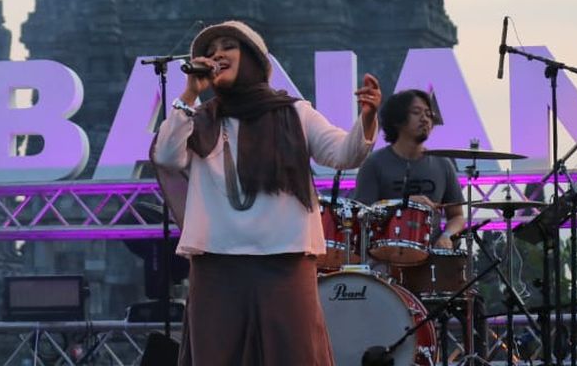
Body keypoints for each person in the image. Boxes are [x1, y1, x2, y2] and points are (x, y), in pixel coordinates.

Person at [152, 20, 379, 366]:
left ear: (254, 58)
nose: (216, 55)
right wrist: (189, 94)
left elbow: (342, 154)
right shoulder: (200, 118)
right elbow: (167, 156)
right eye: (210, 52)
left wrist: (366, 118)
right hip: (217, 261)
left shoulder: (294, 113)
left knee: (294, 355)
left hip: (284, 259)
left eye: (228, 47)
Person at [352, 88, 464, 246]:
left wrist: (447, 235)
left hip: (432, 253)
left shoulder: (443, 164)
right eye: (417, 112)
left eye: (428, 114)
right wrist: (403, 204)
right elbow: (362, 214)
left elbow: (457, 216)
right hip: (385, 253)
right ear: (398, 120)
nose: (425, 119)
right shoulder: (374, 163)